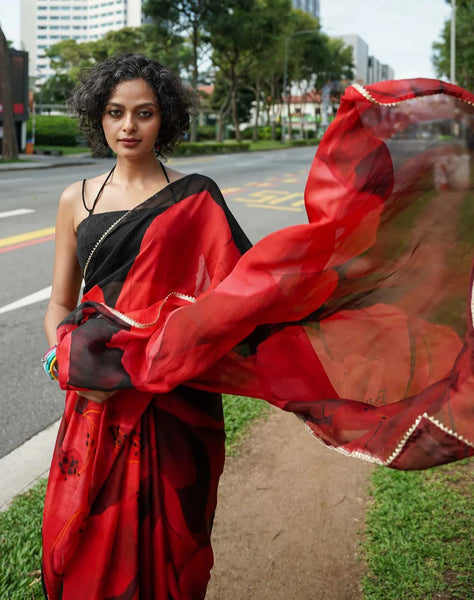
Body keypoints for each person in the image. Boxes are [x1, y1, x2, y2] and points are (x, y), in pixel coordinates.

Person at [42, 54, 474, 600]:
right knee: (86, 545)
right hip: (94, 400)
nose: (128, 126)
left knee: (173, 541)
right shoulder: (74, 200)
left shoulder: (196, 197)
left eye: (144, 113)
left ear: (165, 119)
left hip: (177, 400)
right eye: (115, 112)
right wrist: (61, 355)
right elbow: (59, 304)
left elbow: (245, 296)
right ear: (97, 117)